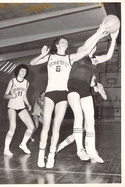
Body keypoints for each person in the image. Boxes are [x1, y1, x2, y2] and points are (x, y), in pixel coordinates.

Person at [30, 24, 107, 168]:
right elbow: (32, 63)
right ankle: (41, 155)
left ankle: (51, 155)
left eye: (67, 42)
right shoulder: (50, 57)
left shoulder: (70, 58)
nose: (66, 43)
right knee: (46, 125)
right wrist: (42, 54)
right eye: (63, 42)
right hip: (50, 93)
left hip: (63, 94)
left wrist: (99, 33)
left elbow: (85, 50)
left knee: (56, 127)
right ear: (57, 45)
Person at [57, 29, 119, 163]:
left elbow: (108, 56)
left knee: (90, 118)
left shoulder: (94, 60)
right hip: (73, 86)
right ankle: (80, 149)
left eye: (95, 46)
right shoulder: (80, 52)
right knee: (79, 115)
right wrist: (99, 32)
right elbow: (86, 45)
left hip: (85, 88)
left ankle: (91, 150)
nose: (93, 47)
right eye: (92, 44)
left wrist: (113, 38)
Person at [56, 74, 107, 153]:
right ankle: (61, 147)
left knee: (84, 131)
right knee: (80, 132)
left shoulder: (98, 85)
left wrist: (101, 92)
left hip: (91, 110)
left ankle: (89, 150)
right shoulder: (81, 85)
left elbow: (105, 97)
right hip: (81, 109)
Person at [3, 64, 35, 157]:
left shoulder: (26, 83)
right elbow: (5, 95)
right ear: (18, 71)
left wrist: (28, 104)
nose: (23, 72)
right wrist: (10, 96)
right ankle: (6, 149)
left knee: (31, 127)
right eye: (22, 70)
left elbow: (24, 95)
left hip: (21, 107)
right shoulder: (12, 81)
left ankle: (23, 144)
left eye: (25, 71)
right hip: (12, 107)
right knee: (13, 127)